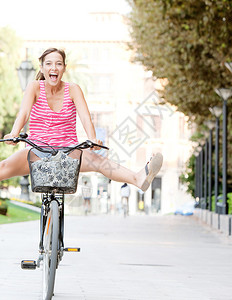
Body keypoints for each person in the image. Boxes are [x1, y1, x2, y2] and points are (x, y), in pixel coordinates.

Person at [0, 48, 163, 191]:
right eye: (48, 64)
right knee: (4, 167)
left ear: (64, 68)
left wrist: (92, 139)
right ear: (42, 68)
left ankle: (137, 178)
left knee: (97, 160)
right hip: (37, 151)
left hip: (69, 152)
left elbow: (86, 117)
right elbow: (24, 113)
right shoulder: (34, 87)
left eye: (58, 63)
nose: (53, 67)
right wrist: (13, 134)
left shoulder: (73, 89)